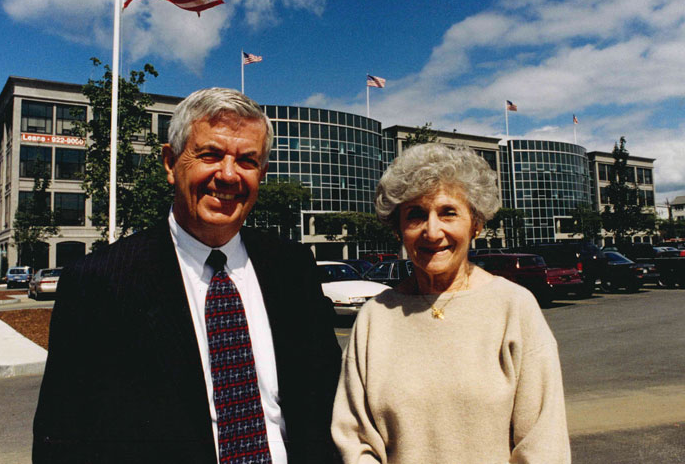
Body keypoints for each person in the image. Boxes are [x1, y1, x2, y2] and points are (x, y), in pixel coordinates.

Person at [33, 88, 341, 463]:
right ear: (170, 162)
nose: (228, 175)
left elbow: (326, 402)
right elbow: (61, 437)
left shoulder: (293, 269)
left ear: (262, 173)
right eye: (210, 155)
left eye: (247, 161)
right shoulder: (98, 282)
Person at [331, 143, 570, 463]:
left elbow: (543, 443)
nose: (432, 231)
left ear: (476, 223)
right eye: (416, 215)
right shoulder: (375, 318)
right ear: (398, 228)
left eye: (448, 212)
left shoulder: (514, 307)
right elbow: (355, 439)